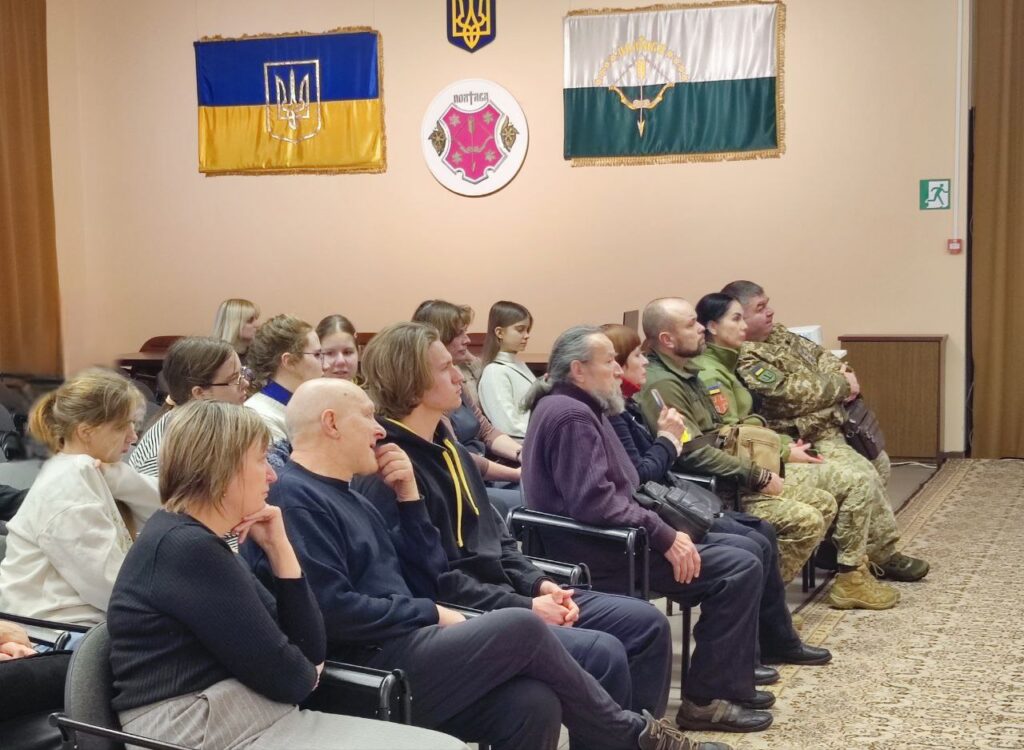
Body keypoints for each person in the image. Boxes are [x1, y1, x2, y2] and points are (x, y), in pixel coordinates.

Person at [244, 378, 724, 750]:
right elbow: (332, 612)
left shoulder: (352, 493)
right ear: (331, 423)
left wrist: (410, 498)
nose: (379, 429)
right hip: (367, 670)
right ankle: (631, 734)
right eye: (367, 417)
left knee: (532, 704)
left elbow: (425, 572)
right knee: (521, 627)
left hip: (404, 646)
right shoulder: (298, 500)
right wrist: (431, 612)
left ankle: (631, 735)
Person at [355, 323, 675, 727]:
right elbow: (432, 583)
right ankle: (631, 735)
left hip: (509, 594)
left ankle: (645, 736)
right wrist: (526, 607)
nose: (459, 377)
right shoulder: (390, 471)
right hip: (470, 614)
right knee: (603, 653)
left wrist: (538, 584)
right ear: (412, 382)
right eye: (445, 368)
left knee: (646, 623)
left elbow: (498, 538)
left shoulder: (449, 446)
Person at [106, 400, 465, 750]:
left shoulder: (199, 540)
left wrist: (281, 550)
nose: (272, 474)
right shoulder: (186, 548)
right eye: (261, 459)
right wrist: (304, 670)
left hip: (240, 715)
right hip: (198, 729)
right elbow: (294, 679)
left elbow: (308, 650)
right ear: (223, 467)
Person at [521, 325, 775, 734]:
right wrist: (665, 535)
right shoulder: (571, 415)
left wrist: (663, 531)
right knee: (737, 567)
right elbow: (596, 503)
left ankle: (726, 681)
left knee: (744, 551)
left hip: (615, 539)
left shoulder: (577, 406)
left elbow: (619, 489)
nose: (617, 370)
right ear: (578, 370)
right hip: (601, 551)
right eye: (609, 362)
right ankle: (707, 700)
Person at [600, 323, 834, 660]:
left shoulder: (628, 406)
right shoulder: (614, 415)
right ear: (617, 367)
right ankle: (739, 659)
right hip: (655, 519)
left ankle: (775, 642)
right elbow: (641, 477)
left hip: (674, 501)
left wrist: (668, 442)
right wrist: (667, 439)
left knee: (761, 532)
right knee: (748, 548)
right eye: (636, 355)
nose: (645, 361)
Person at [692, 294, 901, 609]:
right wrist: (783, 451)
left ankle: (845, 570)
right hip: (747, 477)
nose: (743, 326)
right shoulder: (715, 372)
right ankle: (776, 599)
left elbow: (821, 359)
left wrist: (783, 445)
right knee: (856, 482)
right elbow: (731, 436)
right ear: (712, 327)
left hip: (773, 452)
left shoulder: (729, 360)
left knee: (869, 468)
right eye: (736, 318)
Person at [722, 279, 929, 584]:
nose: (770, 312)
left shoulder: (780, 335)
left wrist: (837, 379)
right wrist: (841, 386)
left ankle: (834, 546)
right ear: (739, 316)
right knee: (863, 475)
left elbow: (825, 359)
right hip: (801, 436)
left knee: (880, 462)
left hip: (830, 425)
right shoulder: (745, 355)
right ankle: (881, 556)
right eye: (760, 308)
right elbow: (786, 393)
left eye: (768, 304)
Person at [637, 298, 837, 585]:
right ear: (667, 339)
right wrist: (755, 474)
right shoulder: (664, 384)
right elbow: (692, 453)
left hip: (732, 474)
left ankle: (764, 592)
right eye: (691, 325)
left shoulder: (688, 371)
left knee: (824, 502)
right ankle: (758, 594)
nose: (701, 329)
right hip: (711, 489)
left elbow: (723, 428)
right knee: (807, 520)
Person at [0, 369, 159, 625]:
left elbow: (169, 508)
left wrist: (117, 475)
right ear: (86, 432)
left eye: (134, 424)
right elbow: (113, 589)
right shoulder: (68, 485)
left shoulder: (94, 470)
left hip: (87, 624)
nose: (133, 436)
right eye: (123, 426)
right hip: (58, 632)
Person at [412, 300, 523, 516]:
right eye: (460, 334)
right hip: (465, 482)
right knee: (534, 499)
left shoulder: (456, 380)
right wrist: (516, 474)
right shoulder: (429, 396)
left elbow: (486, 430)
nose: (468, 340)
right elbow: (457, 457)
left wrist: (521, 454)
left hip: (486, 471)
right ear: (438, 338)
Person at [128, 337, 250, 478]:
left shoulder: (214, 425)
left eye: (242, 373)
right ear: (199, 393)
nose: (246, 383)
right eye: (234, 379)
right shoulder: (165, 462)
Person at [245, 314, 325, 444]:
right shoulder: (259, 417)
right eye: (317, 355)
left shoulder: (308, 404)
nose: (326, 365)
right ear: (289, 362)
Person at [477, 301, 537, 439]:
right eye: (520, 330)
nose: (527, 335)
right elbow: (508, 426)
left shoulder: (518, 364)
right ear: (499, 332)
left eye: (527, 330)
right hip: (522, 445)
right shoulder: (494, 372)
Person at [317, 314, 362, 383]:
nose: (340, 361)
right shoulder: (303, 389)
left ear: (358, 352)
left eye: (347, 352)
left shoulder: (371, 389)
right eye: (329, 353)